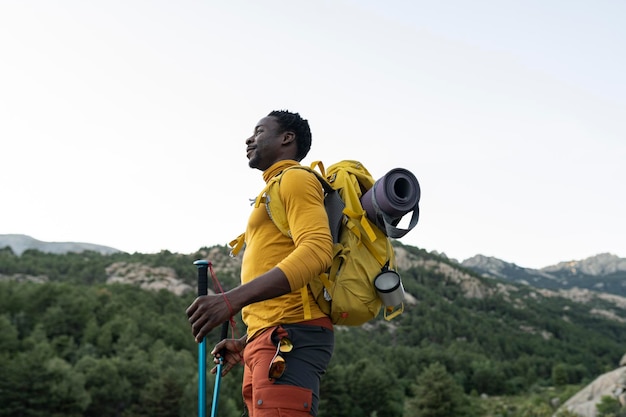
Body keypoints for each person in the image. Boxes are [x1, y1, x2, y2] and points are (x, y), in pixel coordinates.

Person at [186, 110, 334, 417]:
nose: (249, 139)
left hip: (289, 338)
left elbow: (319, 250)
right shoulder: (275, 187)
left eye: (259, 131)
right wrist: (244, 341)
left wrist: (231, 300)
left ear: (286, 138)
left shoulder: (295, 179)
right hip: (268, 339)